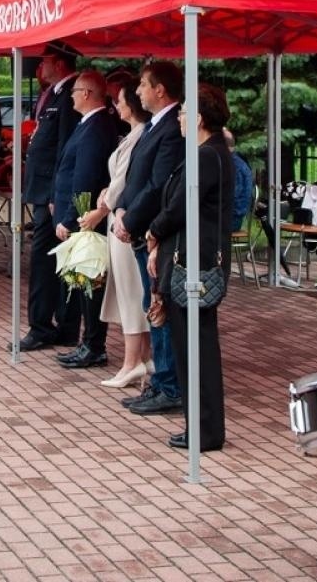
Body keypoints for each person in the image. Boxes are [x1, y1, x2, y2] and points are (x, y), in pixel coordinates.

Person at [146, 81, 233, 451]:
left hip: (194, 265)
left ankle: (206, 430)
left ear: (198, 118)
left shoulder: (207, 155)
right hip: (186, 260)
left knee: (197, 349)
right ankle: (200, 426)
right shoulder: (203, 152)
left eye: (183, 113)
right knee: (191, 347)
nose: (178, 118)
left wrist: (153, 229)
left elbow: (181, 205)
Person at [115, 60, 186, 417]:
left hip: (154, 231)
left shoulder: (172, 129)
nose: (138, 92)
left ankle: (169, 384)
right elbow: (136, 177)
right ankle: (160, 382)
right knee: (152, 303)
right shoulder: (156, 125)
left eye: (143, 85)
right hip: (139, 225)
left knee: (159, 307)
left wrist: (132, 218)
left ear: (160, 90)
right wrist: (123, 209)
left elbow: (159, 185)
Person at [49, 70, 118, 369]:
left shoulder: (96, 126)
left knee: (90, 283)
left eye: (75, 90)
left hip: (86, 218)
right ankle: (86, 341)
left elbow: (84, 178)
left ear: (87, 94)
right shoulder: (87, 124)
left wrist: (69, 216)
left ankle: (93, 344)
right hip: (78, 214)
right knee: (82, 282)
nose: (71, 95)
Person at [20, 45, 81, 352]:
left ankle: (42, 325)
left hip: (52, 195)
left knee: (45, 262)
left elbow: (65, 150)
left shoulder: (70, 94)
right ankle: (62, 325)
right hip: (45, 192)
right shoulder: (57, 93)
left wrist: (59, 193)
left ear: (57, 63)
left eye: (43, 61)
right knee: (55, 261)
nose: (39, 67)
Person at [94, 73, 151, 389]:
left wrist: (106, 202)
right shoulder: (132, 135)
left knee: (131, 293)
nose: (116, 105)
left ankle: (132, 361)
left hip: (123, 221)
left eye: (120, 100)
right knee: (130, 291)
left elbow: (125, 181)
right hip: (117, 214)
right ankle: (140, 357)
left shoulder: (140, 135)